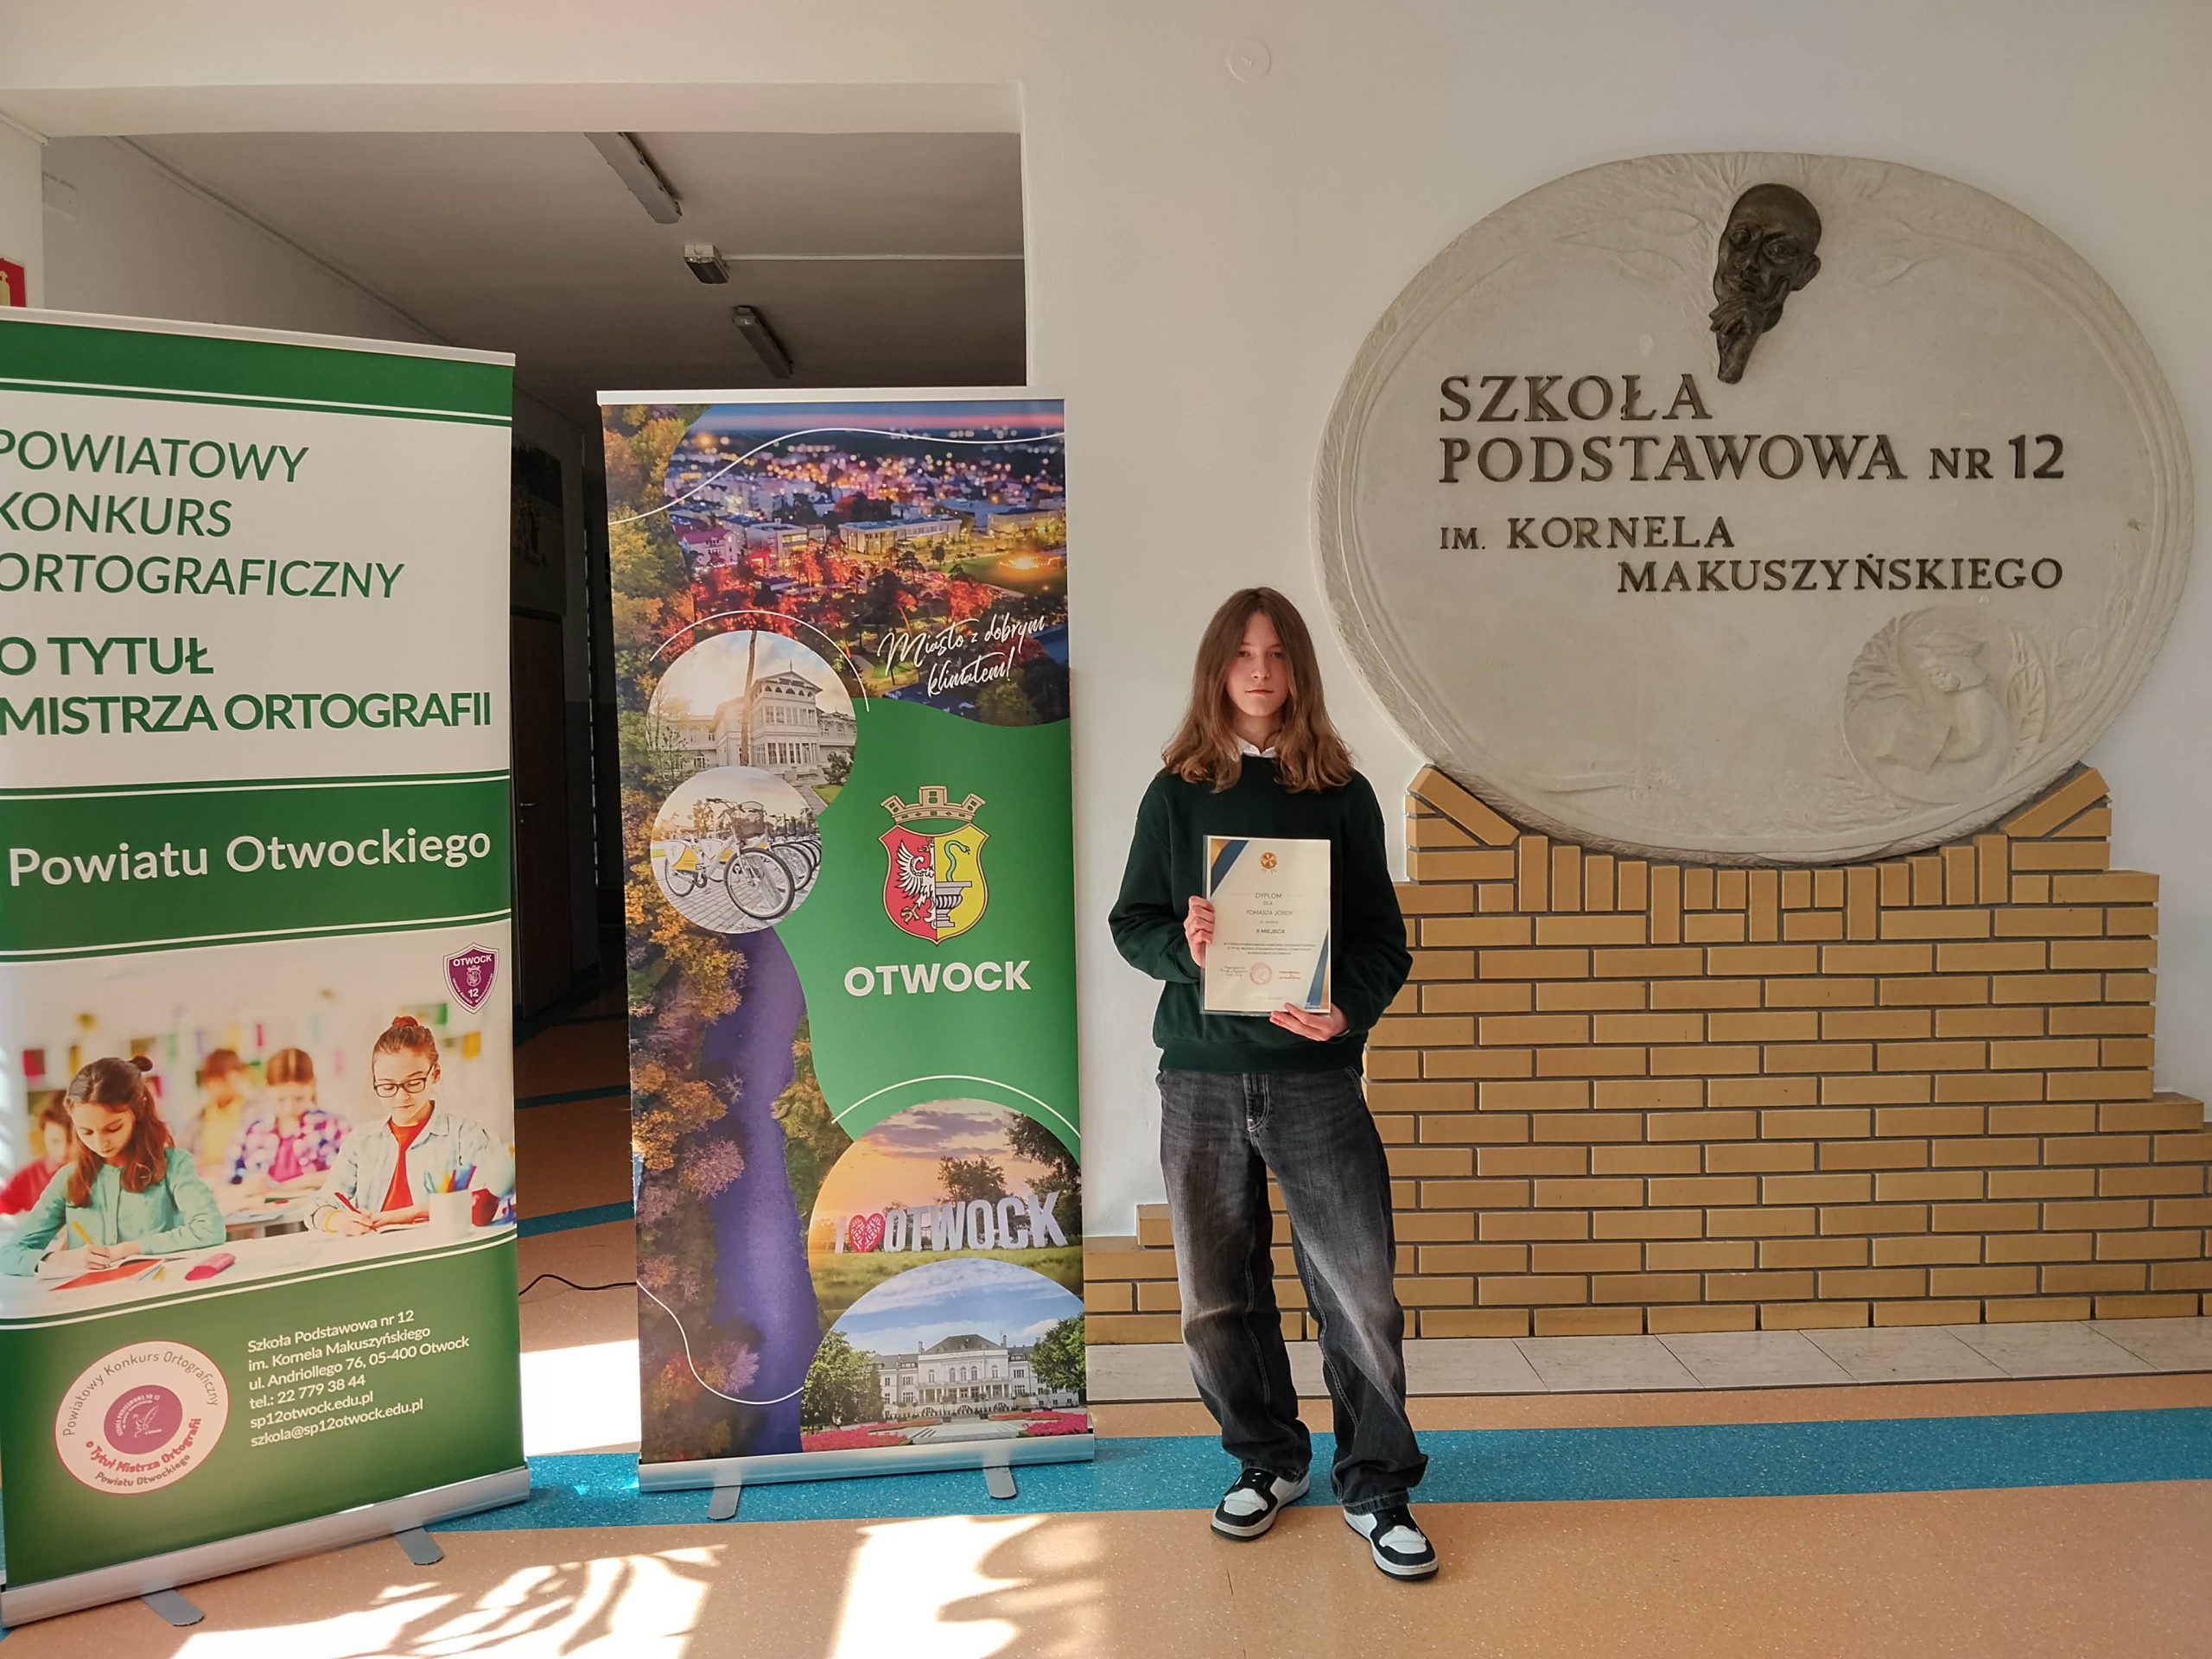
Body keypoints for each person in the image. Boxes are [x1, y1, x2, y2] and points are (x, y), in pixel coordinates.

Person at [1109, 587, 1431, 1580]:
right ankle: (1268, 1459)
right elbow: (1133, 925)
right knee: (1215, 1300)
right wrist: (1187, 945)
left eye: (1278, 653)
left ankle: (1374, 1484)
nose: (1259, 671)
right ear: (1217, 669)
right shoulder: (1175, 794)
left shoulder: (1340, 793)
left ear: (1298, 670)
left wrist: (1347, 1011)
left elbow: (1380, 941)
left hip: (1314, 1079)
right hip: (1200, 1080)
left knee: (1359, 1295)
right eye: (1242, 654)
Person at [1, 1056, 225, 1275]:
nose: (100, 1143)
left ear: (138, 1111)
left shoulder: (173, 1165)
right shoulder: (69, 1179)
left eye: (113, 1128)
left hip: (158, 1290)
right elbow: (9, 1255)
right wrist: (62, 1259)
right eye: (86, 1132)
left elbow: (209, 1229)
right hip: (87, 1296)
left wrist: (129, 1249)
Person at [310, 1016, 507, 1235]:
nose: (401, 1096)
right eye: (387, 1087)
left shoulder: (465, 1135)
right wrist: (337, 1220)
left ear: (435, 1074)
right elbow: (319, 1205)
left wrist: (412, 1214)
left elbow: (491, 1198)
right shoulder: (361, 1141)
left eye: (413, 1083)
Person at [228, 1048, 347, 1194]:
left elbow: (350, 1174)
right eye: (281, 1099)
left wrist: (291, 1186)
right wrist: (245, 1188)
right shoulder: (249, 1130)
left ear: (312, 1085)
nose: (289, 1108)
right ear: (267, 1088)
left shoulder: (334, 1127)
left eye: (299, 1098)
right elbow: (224, 1185)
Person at [184, 1047, 253, 1177]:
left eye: (225, 1079)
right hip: (206, 1179)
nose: (216, 1086)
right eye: (214, 1080)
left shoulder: (254, 1112)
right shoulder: (201, 1116)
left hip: (240, 1178)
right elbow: (183, 1155)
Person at [0, 1099, 73, 1215]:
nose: (63, 1151)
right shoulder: (30, 1176)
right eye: (55, 1141)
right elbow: (4, 1203)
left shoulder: (98, 1172)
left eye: (71, 1141)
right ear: (44, 1135)